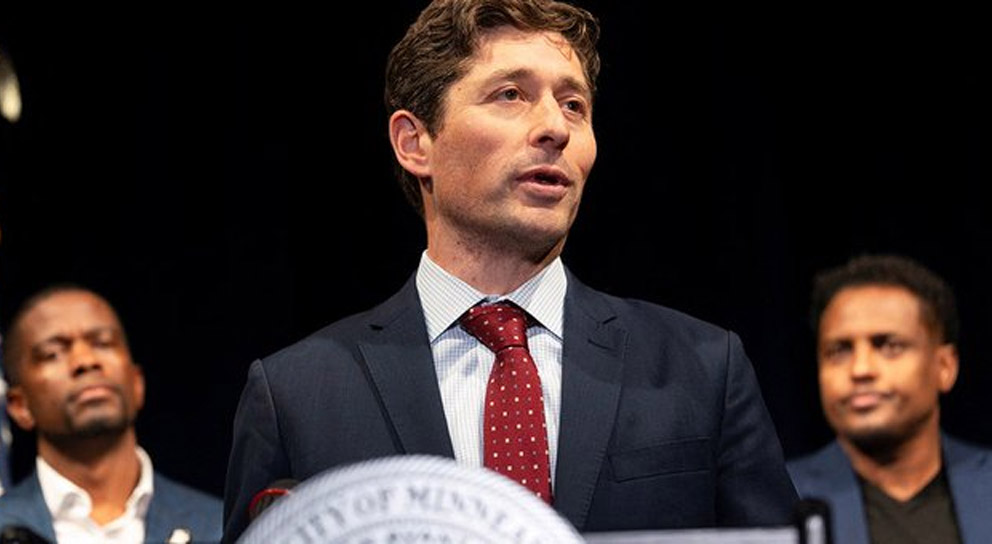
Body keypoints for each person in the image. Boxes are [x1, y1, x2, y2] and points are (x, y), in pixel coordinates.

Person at [223, 0, 798, 540]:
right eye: (510, 94)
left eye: (574, 105)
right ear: (415, 142)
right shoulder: (296, 396)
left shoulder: (702, 370)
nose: (556, 127)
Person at [0, 286, 223, 543]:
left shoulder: (222, 528)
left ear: (137, 383)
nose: (85, 361)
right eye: (53, 353)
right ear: (20, 406)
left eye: (103, 343)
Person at [787, 254, 992, 544]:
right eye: (839, 351)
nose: (860, 369)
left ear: (944, 367)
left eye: (889, 346)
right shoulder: (780, 500)